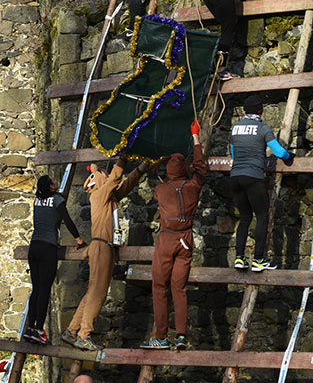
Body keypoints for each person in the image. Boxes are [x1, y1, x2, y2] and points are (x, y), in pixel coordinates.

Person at [63, 158, 156, 351]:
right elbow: (116, 177)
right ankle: (84, 334)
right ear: (98, 181)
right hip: (102, 246)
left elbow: (126, 184)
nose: (106, 175)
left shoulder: (108, 197)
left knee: (92, 291)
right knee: (98, 293)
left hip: (102, 246)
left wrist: (143, 166)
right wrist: (123, 157)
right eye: (103, 175)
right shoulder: (99, 194)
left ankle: (72, 331)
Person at [141, 120, 206, 351]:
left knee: (160, 286)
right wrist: (196, 138)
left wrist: (157, 160)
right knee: (179, 288)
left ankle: (160, 336)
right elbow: (200, 167)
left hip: (167, 238)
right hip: (186, 239)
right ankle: (181, 335)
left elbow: (156, 181)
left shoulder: (161, 189)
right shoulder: (194, 185)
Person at [229, 94, 293, 272]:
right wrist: (290, 157)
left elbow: (234, 154)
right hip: (254, 177)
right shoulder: (263, 128)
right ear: (261, 111)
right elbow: (279, 152)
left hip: (235, 177)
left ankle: (239, 258)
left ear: (243, 111)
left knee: (244, 218)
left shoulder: (235, 128)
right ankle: (258, 260)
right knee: (262, 216)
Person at [24, 175, 86, 345]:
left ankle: (30, 328)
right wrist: (79, 240)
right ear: (51, 186)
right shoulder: (57, 199)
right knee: (44, 290)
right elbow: (67, 220)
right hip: (47, 248)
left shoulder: (37, 200)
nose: (56, 182)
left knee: (36, 289)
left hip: (34, 247)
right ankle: (38, 330)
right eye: (53, 181)